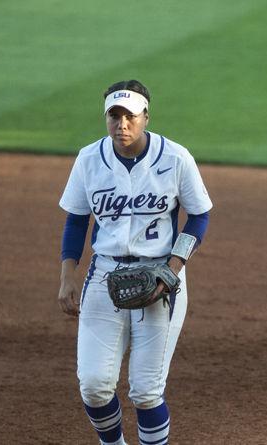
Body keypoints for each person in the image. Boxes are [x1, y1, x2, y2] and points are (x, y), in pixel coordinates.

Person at [58, 79, 212, 444]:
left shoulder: (175, 157)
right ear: (106, 117)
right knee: (94, 386)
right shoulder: (89, 159)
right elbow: (77, 219)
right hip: (103, 274)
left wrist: (173, 268)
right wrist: (67, 275)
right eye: (115, 115)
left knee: (145, 391)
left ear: (146, 117)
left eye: (130, 116)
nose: (122, 124)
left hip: (160, 276)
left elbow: (200, 215)